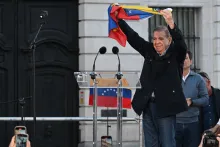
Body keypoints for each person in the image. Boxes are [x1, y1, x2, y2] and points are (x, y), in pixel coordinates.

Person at [115, 9, 188, 147]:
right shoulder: (149, 51)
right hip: (148, 105)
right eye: (154, 38)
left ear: (169, 40)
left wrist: (171, 23)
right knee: (150, 144)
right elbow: (133, 37)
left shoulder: (176, 54)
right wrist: (119, 20)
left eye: (161, 38)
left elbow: (181, 43)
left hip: (166, 107)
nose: (156, 42)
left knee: (167, 143)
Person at [175, 50, 209, 147]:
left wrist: (192, 102)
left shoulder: (198, 79)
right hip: (175, 122)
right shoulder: (173, 78)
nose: (183, 61)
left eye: (186, 58)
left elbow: (205, 99)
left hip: (192, 123)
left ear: (191, 61)